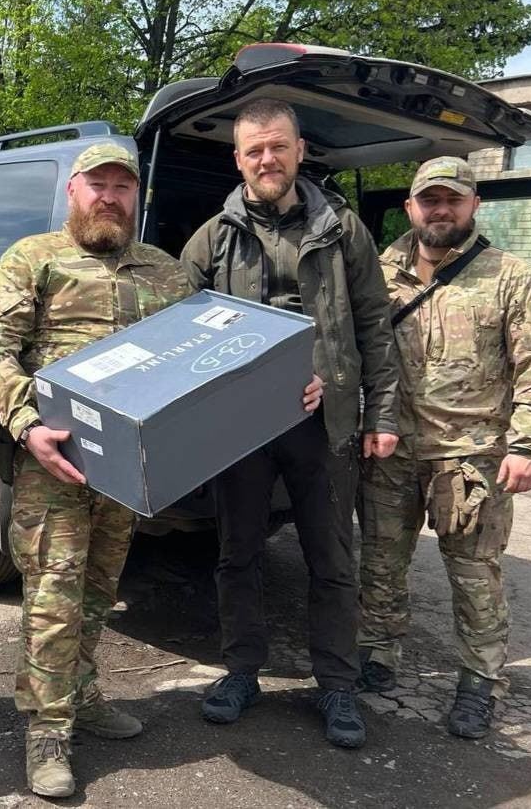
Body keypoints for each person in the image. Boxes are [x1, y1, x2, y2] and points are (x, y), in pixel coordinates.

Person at [0, 141, 322, 797]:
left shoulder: (165, 274)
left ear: (136, 196)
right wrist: (26, 425)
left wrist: (291, 382)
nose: (109, 197)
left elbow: (216, 355)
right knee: (53, 596)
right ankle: (47, 728)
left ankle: (82, 693)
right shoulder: (32, 259)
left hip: (123, 472)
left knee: (98, 590)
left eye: (122, 187)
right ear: (73, 191)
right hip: (52, 462)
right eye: (97, 185)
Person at [181, 98, 399, 749]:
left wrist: (379, 411)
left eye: (278, 146)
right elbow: (178, 336)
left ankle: (336, 683)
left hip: (323, 421)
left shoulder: (342, 229)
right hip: (242, 429)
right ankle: (240, 671)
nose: (267, 159)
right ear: (238, 159)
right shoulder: (212, 238)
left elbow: (373, 325)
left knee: (331, 558)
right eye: (254, 150)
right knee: (237, 555)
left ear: (300, 150)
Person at [356, 157, 531, 738]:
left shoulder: (510, 276)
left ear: (475, 205)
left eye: (453, 199)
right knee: (380, 562)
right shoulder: (379, 272)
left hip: (472, 456)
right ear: (410, 208)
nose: (440, 210)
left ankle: (480, 681)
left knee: (474, 576)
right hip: (390, 448)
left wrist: (527, 445)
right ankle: (378, 652)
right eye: (430, 200)